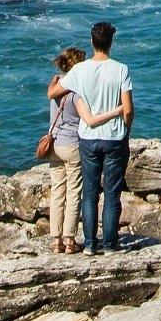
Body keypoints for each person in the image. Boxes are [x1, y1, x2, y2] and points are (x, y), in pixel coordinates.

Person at [64, 20, 135, 253]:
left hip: (87, 137)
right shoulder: (121, 69)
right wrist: (126, 129)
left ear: (91, 41)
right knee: (112, 194)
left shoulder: (79, 70)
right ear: (111, 43)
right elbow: (128, 108)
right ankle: (110, 244)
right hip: (114, 137)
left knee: (90, 193)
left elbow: (55, 92)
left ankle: (90, 244)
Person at [43, 47, 85, 253]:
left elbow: (50, 94)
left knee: (58, 192)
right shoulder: (77, 90)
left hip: (55, 145)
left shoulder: (57, 87)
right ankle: (70, 240)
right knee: (74, 193)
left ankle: (55, 240)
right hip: (73, 145)